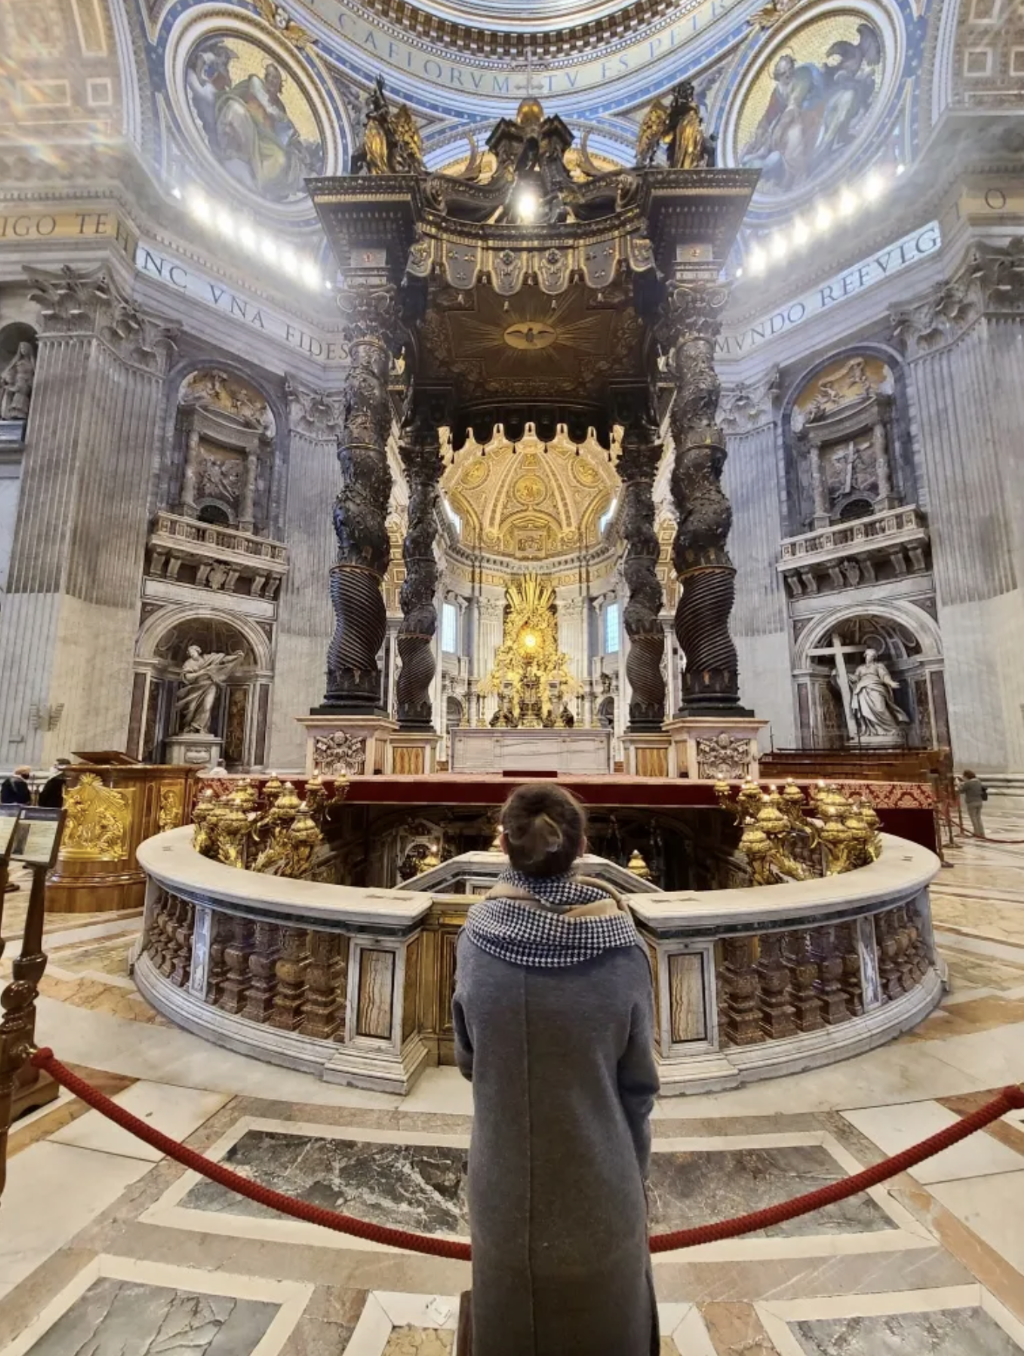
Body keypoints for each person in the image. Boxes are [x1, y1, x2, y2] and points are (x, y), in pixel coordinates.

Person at [453, 783, 660, 1356]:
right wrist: (631, 1168)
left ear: (503, 843)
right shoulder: (622, 951)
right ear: (582, 845)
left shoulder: (474, 939)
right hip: (601, 1178)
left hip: (502, 1175)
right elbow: (638, 1086)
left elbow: (468, 1058)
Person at [959, 769, 987, 838]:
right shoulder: (978, 781)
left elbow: (961, 790)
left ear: (966, 776)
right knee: (978, 818)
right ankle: (981, 833)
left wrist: (958, 784)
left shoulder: (968, 783)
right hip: (979, 801)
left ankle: (976, 833)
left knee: (973, 818)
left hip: (971, 802)